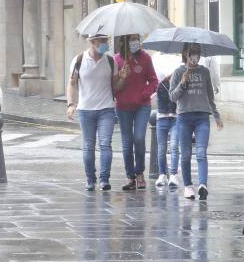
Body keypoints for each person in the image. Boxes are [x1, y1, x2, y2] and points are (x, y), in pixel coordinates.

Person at [66, 34, 127, 191]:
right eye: (102, 41)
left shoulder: (110, 61)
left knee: (105, 144)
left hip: (106, 109)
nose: (106, 44)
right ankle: (90, 179)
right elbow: (72, 84)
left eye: (107, 41)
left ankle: (104, 180)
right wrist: (70, 104)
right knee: (88, 145)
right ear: (92, 42)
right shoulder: (79, 60)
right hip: (85, 110)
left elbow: (116, 87)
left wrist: (123, 78)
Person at [169, 44, 223, 201]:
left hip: (202, 117)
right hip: (184, 117)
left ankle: (203, 185)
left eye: (198, 53)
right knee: (185, 155)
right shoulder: (179, 72)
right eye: (192, 53)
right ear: (185, 54)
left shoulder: (204, 72)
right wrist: (182, 82)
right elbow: (172, 96)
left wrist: (217, 115)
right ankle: (188, 186)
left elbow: (210, 96)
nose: (195, 56)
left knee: (201, 152)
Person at [114, 35, 158, 190]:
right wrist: (121, 77)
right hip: (123, 107)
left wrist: (144, 93)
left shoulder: (145, 58)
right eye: (132, 39)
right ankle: (130, 176)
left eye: (137, 39)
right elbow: (113, 86)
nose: (135, 42)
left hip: (142, 106)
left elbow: (154, 80)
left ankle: (139, 173)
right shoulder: (116, 60)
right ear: (124, 42)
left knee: (139, 138)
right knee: (127, 142)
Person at [155, 67, 180, 188]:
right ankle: (162, 174)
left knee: (174, 146)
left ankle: (174, 174)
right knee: (161, 148)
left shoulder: (178, 83)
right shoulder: (160, 84)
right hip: (161, 118)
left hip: (175, 118)